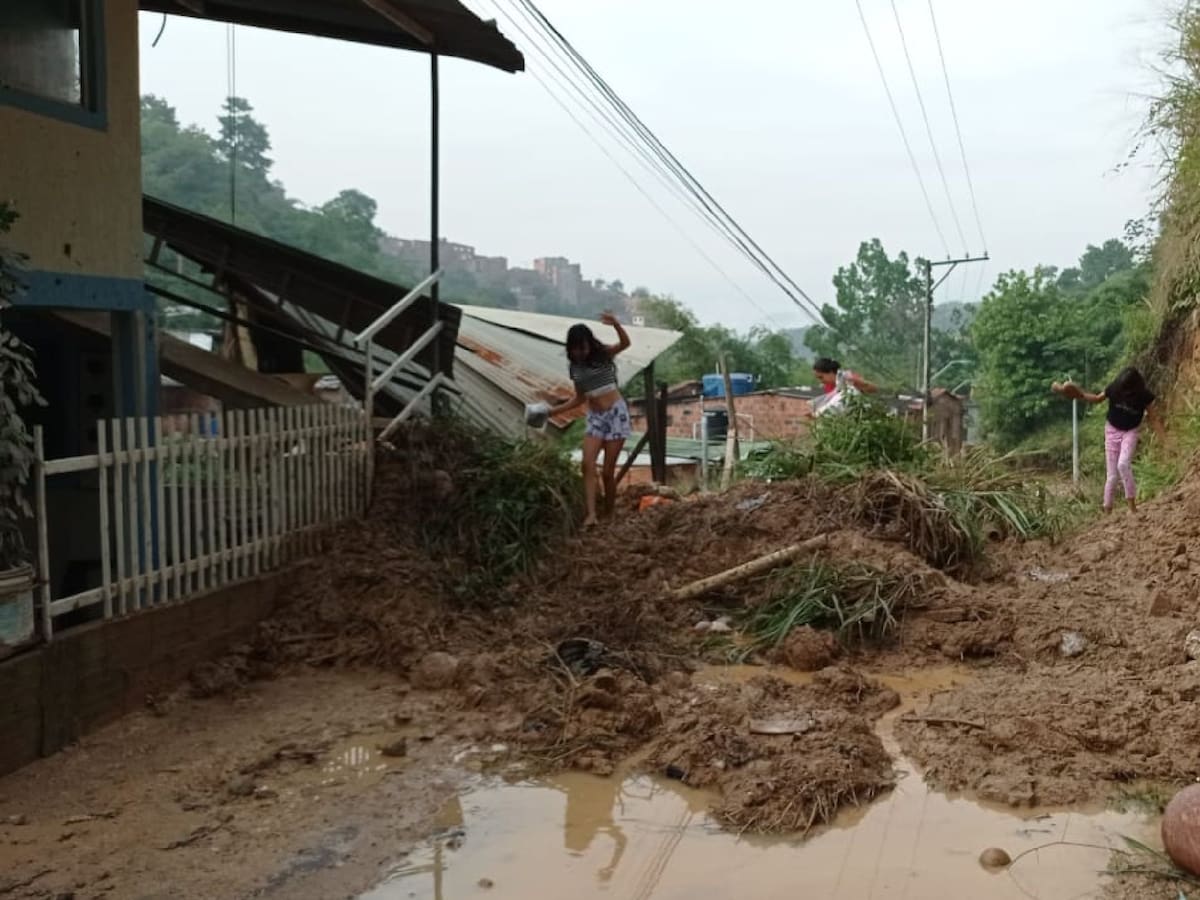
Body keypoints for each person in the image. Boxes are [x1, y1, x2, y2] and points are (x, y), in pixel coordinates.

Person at [549, 312, 632, 527]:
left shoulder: (604, 355)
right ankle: (591, 514)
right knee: (587, 465)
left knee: (606, 471)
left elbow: (625, 343)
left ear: (590, 345)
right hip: (595, 417)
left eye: (582, 348)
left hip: (615, 414)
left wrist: (616, 324)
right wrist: (552, 412)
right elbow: (579, 398)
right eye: (575, 349)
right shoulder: (574, 368)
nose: (579, 353)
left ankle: (610, 512)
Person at [1052, 366, 1166, 513]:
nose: (1125, 392)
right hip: (1112, 431)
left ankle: (1132, 507)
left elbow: (1154, 418)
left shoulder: (1143, 395)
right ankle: (1107, 511)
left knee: (1123, 464)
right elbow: (1097, 399)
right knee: (1111, 476)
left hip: (1130, 432)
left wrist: (1165, 440)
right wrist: (1079, 394)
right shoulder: (1115, 388)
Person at [809, 357, 877, 417]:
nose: (821, 381)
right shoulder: (829, 386)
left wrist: (858, 382)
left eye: (821, 377)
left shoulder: (848, 377)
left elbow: (873, 389)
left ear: (831, 372)